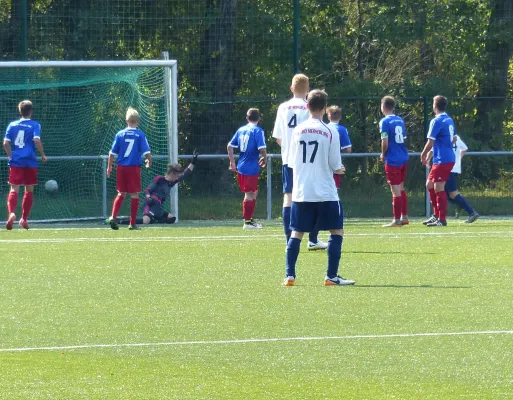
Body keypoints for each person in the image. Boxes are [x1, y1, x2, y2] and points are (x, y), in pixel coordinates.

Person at [282, 89, 355, 287]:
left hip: (301, 192)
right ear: (324, 108)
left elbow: (290, 162)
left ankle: (289, 275)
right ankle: (331, 276)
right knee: (336, 231)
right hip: (325, 192)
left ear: (307, 106)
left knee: (296, 232)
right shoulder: (331, 131)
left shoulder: (297, 131)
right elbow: (334, 164)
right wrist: (341, 169)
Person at [272, 74, 327, 250]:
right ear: (308, 90)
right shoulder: (309, 106)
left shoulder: (283, 107)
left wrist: (288, 147)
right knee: (315, 196)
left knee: (288, 197)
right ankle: (313, 239)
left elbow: (278, 137)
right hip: (309, 160)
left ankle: (290, 239)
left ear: (291, 88)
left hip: (289, 159)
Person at [3, 100, 47, 230]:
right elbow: (36, 140)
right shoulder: (35, 125)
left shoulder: (12, 125)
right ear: (31, 111)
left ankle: (11, 213)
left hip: (16, 161)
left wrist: (11, 155)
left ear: (20, 111)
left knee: (14, 189)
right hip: (30, 161)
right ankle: (24, 219)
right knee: (29, 190)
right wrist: (43, 154)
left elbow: (5, 143)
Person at [107, 107, 152, 230]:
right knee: (134, 195)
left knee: (121, 193)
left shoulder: (120, 134)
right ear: (137, 121)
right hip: (133, 167)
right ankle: (132, 223)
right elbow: (147, 152)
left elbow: (111, 154)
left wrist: (109, 167)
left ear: (126, 120)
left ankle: (113, 217)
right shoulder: (140, 135)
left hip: (121, 167)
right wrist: (149, 160)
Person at [227, 108, 267, 229]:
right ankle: (247, 222)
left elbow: (229, 146)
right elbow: (262, 148)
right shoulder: (258, 130)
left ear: (247, 118)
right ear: (259, 118)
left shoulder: (241, 130)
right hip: (250, 167)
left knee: (253, 192)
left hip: (242, 166)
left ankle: (250, 220)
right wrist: (264, 157)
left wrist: (232, 162)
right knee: (249, 194)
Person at [420, 95, 456, 227]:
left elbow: (431, 141)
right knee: (430, 185)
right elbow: (453, 139)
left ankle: (442, 219)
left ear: (435, 106)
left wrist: (423, 154)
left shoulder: (437, 120)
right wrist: (433, 152)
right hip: (444, 157)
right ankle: (436, 215)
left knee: (438, 187)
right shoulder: (449, 120)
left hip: (443, 159)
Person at [427, 136, 479, 223]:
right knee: (441, 190)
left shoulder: (441, 136)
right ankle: (440, 213)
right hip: (452, 167)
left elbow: (432, 149)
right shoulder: (455, 136)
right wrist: (458, 160)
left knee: (451, 193)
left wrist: (427, 158)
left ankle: (471, 211)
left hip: (446, 166)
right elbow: (464, 148)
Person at [378, 96, 409, 227]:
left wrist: (383, 154)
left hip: (393, 159)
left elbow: (385, 141)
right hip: (403, 157)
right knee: (401, 188)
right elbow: (403, 138)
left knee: (395, 191)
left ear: (383, 107)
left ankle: (396, 220)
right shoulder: (400, 120)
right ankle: (405, 216)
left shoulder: (384, 121)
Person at [142, 153, 198, 224]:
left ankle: (154, 219)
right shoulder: (159, 179)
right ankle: (125, 221)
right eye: (177, 176)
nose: (178, 178)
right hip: (150, 204)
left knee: (171, 218)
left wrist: (194, 161)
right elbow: (147, 190)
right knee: (146, 221)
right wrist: (148, 198)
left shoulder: (171, 182)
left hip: (157, 207)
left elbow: (186, 173)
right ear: (172, 174)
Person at [327, 105, 352, 190]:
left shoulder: (323, 128)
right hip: (335, 163)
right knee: (334, 190)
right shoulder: (341, 129)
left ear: (328, 116)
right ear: (340, 117)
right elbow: (348, 149)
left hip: (322, 162)